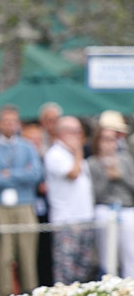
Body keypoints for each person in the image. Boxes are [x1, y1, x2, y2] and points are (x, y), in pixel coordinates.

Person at [0, 105, 43, 296]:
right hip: (0, 206)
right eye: (6, 121)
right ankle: (5, 295)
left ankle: (31, 293)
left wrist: (10, 174)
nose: (10, 125)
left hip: (25, 204)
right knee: (4, 255)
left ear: (18, 124)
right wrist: (21, 174)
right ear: (0, 124)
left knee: (28, 253)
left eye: (13, 122)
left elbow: (35, 174)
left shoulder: (27, 146)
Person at [44, 116, 97, 285]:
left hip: (85, 218)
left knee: (83, 269)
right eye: (75, 131)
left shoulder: (74, 154)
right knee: (66, 271)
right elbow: (73, 174)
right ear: (63, 133)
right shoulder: (55, 154)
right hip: (66, 220)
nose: (79, 135)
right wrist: (78, 151)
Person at [88, 114, 134, 278]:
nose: (110, 144)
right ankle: (110, 286)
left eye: (112, 139)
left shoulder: (126, 160)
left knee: (130, 254)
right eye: (105, 139)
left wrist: (120, 175)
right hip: (105, 210)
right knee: (107, 256)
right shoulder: (92, 163)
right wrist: (108, 177)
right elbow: (95, 195)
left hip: (127, 209)